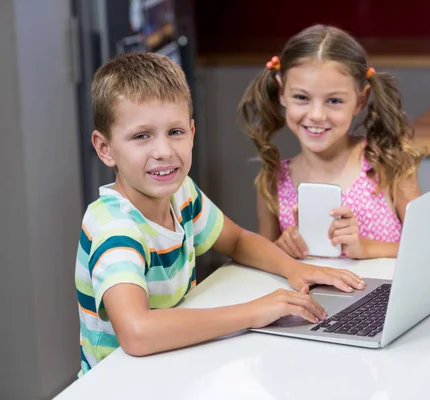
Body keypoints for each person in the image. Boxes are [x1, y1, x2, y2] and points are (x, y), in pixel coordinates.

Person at [75, 52, 365, 377]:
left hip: (171, 367)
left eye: (175, 132)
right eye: (142, 136)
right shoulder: (115, 228)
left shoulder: (181, 193)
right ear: (105, 149)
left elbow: (238, 240)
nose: (164, 151)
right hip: (120, 385)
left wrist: (294, 269)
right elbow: (137, 332)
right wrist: (254, 312)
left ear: (192, 132)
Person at [238, 24, 424, 260]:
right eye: (301, 97)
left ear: (360, 100)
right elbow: (265, 259)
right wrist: (282, 250)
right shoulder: (273, 180)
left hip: (384, 296)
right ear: (281, 92)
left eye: (334, 100)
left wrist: (364, 248)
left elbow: (426, 247)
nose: (316, 114)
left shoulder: (388, 164)